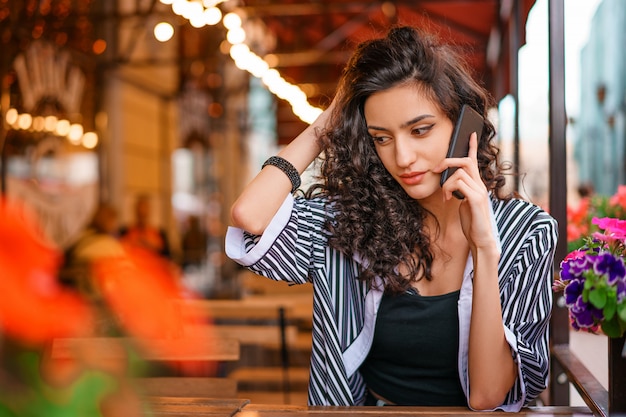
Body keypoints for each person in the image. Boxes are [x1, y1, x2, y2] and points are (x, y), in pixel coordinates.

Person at [225, 26, 558, 411]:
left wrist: (485, 248)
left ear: (466, 127)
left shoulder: (527, 232)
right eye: (381, 137)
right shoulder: (350, 222)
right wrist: (331, 118)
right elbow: (249, 217)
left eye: (420, 130)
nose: (402, 157)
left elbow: (488, 395)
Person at [119, 194, 171, 260]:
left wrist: (151, 246)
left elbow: (168, 257)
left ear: (150, 210)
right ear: (135, 210)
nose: (142, 212)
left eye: (145, 208)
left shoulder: (160, 233)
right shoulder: (125, 231)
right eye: (140, 209)